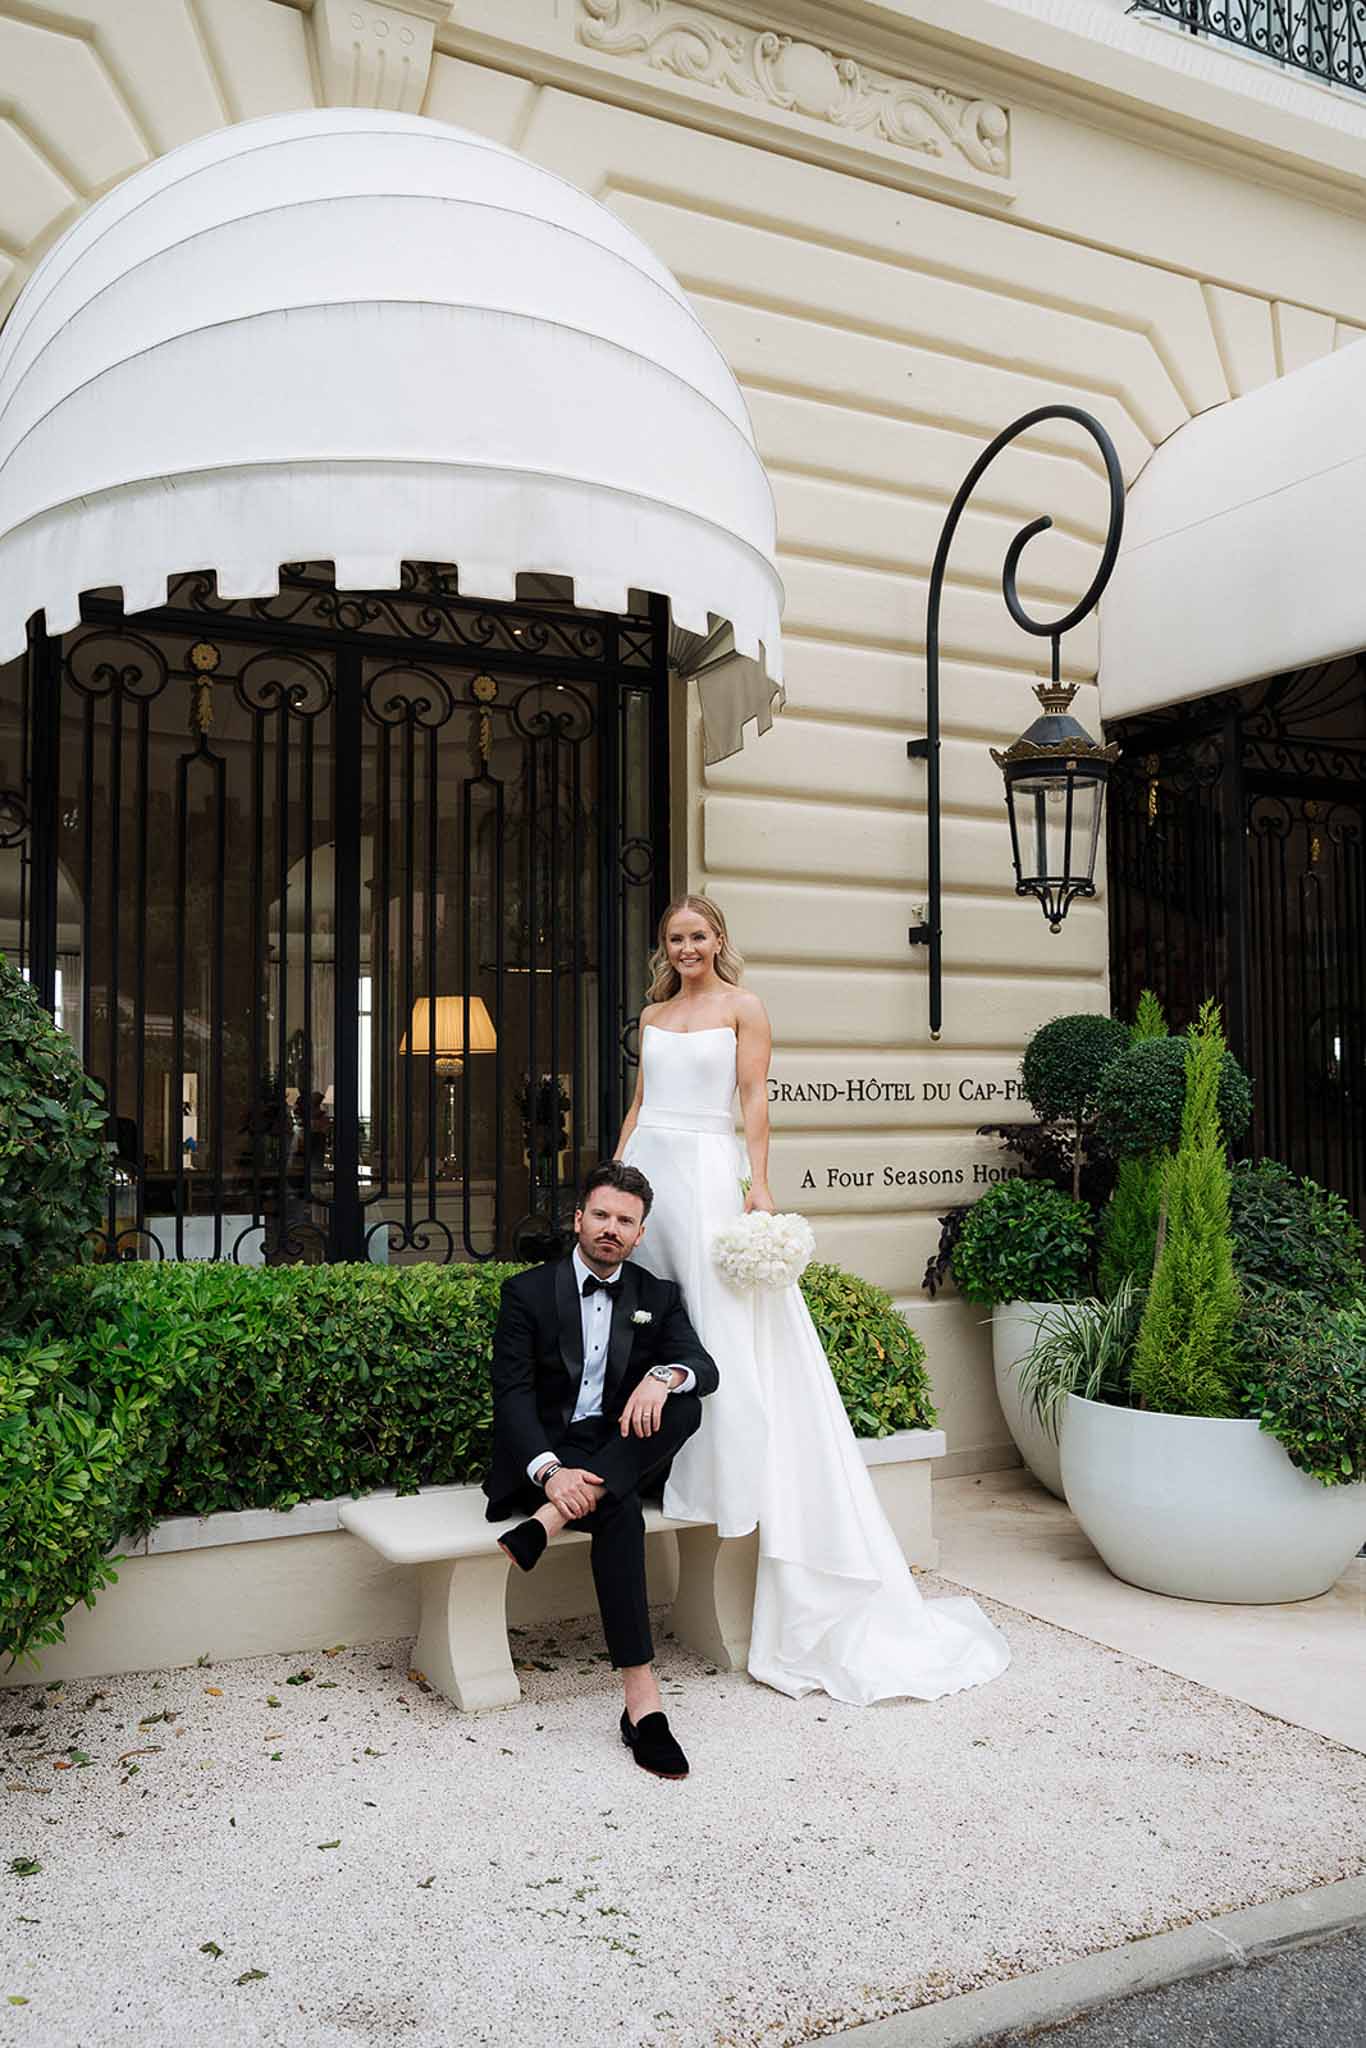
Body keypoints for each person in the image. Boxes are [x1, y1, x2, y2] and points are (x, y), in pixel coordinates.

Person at [615, 894, 1010, 1706]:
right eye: (674, 939)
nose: (686, 947)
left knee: (715, 1318)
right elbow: (639, 1105)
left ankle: (723, 1471)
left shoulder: (744, 1007)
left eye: (697, 935)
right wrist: (613, 1179)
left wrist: (760, 1186)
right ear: (665, 948)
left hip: (706, 1168)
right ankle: (648, 1453)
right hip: (653, 1169)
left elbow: (755, 1099)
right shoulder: (655, 1012)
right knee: (646, 1313)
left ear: (719, 937)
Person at [483, 1160, 719, 1778]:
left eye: (625, 1221)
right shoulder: (526, 1293)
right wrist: (550, 1474)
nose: (611, 1229)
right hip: (551, 1456)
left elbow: (703, 1366)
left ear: (641, 1233)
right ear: (578, 1219)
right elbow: (510, 1395)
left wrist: (662, 1376)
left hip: (617, 1445)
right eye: (601, 1215)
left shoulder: (656, 1297)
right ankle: (643, 1706)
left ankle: (545, 1524)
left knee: (685, 1404)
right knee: (617, 1510)